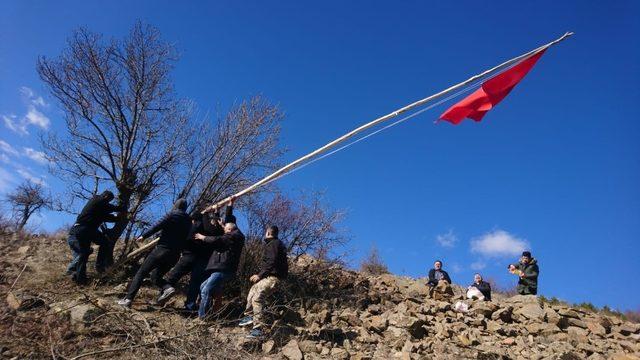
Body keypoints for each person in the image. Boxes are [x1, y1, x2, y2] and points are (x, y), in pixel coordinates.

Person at [156, 202, 234, 310]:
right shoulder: (197, 221)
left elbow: (216, 232)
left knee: (193, 282)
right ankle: (164, 295)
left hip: (200, 257)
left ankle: (189, 306)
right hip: (191, 254)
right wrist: (209, 211)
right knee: (176, 276)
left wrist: (215, 212)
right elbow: (198, 217)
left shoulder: (210, 226)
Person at [118, 198, 191, 308]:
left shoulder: (172, 215)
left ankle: (128, 299)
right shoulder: (189, 221)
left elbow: (158, 225)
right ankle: (167, 287)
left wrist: (144, 236)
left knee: (141, 273)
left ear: (175, 205)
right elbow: (188, 238)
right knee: (155, 277)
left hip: (162, 250)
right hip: (175, 255)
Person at [239, 225, 288, 339]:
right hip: (269, 277)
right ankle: (249, 316)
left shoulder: (274, 244)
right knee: (252, 291)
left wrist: (259, 275)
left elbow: (271, 261)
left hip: (273, 278)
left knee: (257, 298)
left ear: (268, 233)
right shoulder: (273, 244)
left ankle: (258, 329)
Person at [66, 190, 124, 284]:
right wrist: (120, 208)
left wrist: (120, 217)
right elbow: (107, 207)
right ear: (105, 196)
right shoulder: (96, 199)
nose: (109, 202)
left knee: (84, 254)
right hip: (83, 228)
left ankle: (81, 279)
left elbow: (109, 217)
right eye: (109, 199)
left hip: (86, 231)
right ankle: (98, 266)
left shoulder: (99, 210)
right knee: (101, 244)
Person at [193, 220, 245, 319]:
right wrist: (222, 225)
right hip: (222, 269)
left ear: (229, 230)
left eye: (225, 229)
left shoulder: (232, 236)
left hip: (223, 269)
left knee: (205, 290)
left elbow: (217, 240)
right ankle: (212, 314)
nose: (224, 230)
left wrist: (202, 237)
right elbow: (226, 234)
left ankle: (202, 317)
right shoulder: (235, 236)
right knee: (204, 287)